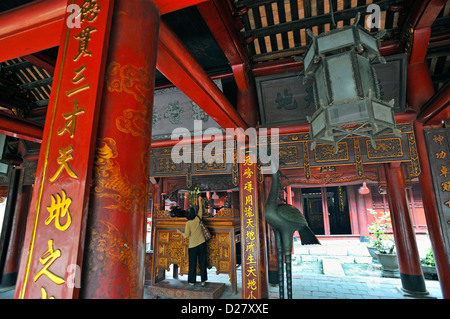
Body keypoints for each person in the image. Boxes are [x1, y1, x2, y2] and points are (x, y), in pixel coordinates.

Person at [177, 195, 208, 286]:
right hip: (202, 243)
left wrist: (179, 232)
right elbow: (201, 209)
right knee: (202, 262)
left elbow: (186, 235)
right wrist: (199, 200)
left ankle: (191, 281)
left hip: (193, 246)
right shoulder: (198, 218)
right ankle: (203, 281)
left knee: (192, 263)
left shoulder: (188, 223)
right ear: (194, 213)